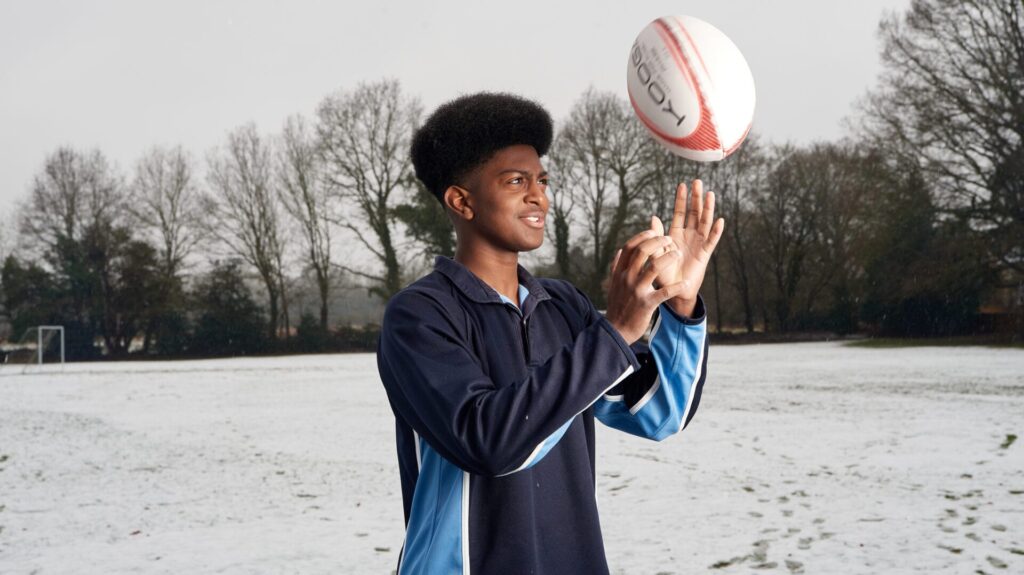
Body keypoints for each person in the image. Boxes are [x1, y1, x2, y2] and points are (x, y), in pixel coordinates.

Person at [376, 92, 724, 574]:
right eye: (515, 181)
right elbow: (489, 442)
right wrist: (616, 330)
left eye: (541, 179)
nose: (538, 194)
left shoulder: (563, 306)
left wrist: (681, 303)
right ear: (461, 200)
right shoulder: (418, 316)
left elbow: (658, 413)